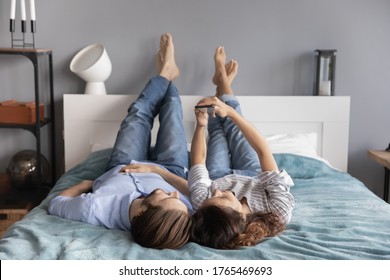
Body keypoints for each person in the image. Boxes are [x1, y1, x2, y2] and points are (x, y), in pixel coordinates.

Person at [49, 33, 193, 249]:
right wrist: (164, 175)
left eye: (167, 199)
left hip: (123, 163)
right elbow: (196, 192)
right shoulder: (182, 215)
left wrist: (84, 185)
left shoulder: (95, 208)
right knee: (171, 110)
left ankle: (165, 73)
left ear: (141, 213)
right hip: (171, 170)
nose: (175, 194)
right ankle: (167, 74)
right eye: (177, 199)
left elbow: (56, 204)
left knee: (138, 114)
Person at [188, 46, 295, 249]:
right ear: (240, 218)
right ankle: (222, 80)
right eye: (221, 199)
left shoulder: (204, 202)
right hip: (254, 175)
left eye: (212, 197)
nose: (216, 192)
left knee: (216, 131)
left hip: (218, 173)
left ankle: (222, 85)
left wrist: (200, 126)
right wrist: (231, 112)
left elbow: (198, 162)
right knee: (233, 125)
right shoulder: (277, 213)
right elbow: (263, 151)